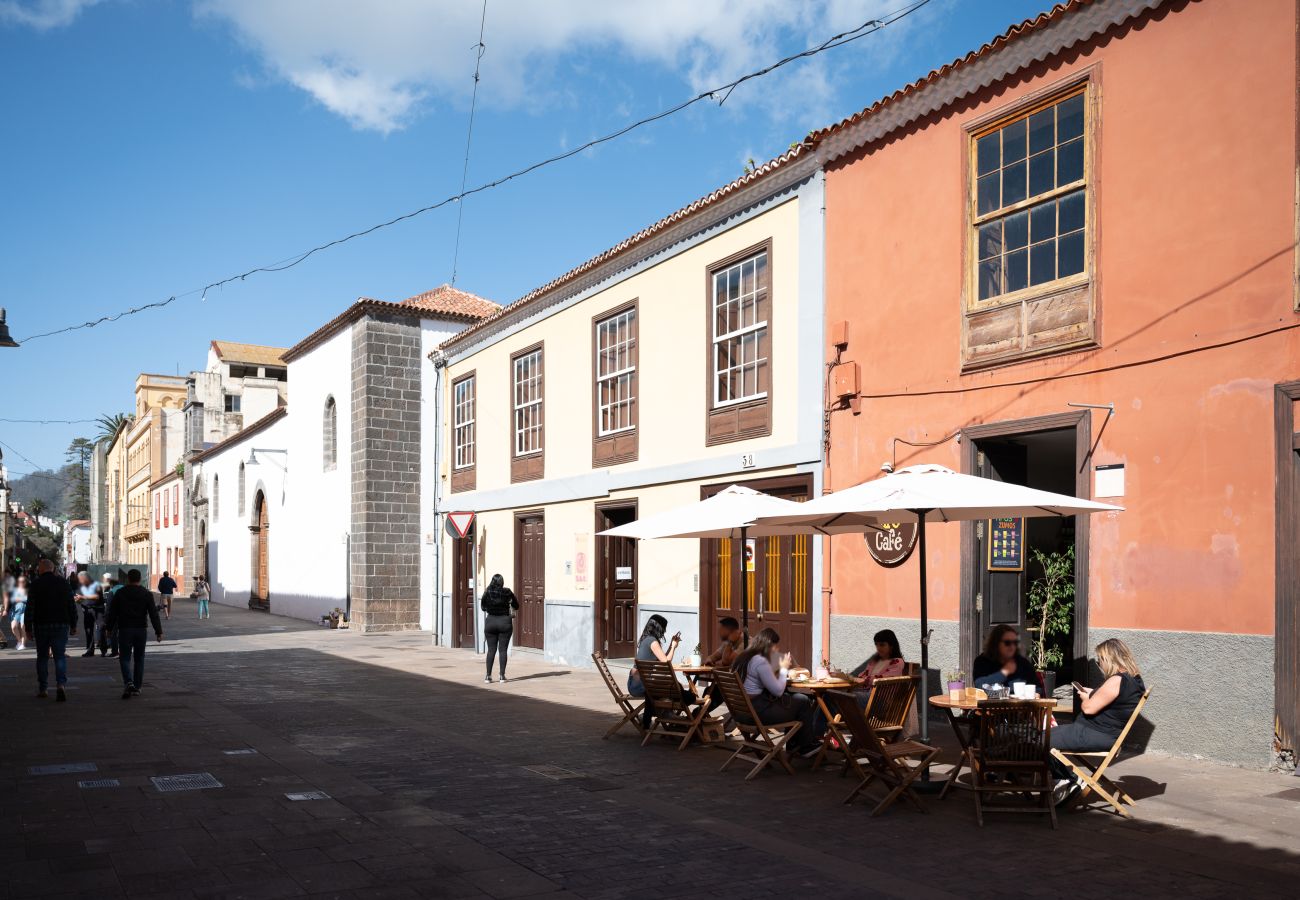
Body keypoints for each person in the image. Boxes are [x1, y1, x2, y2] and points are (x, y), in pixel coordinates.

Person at [1052, 638, 1147, 804]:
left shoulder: (1116, 680)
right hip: (1103, 733)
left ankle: (1067, 779)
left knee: (1040, 738)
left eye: (1099, 660)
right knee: (1045, 735)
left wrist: (1084, 697)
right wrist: (1093, 692)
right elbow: (1110, 697)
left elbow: (1088, 708)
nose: (1099, 664)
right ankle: (1067, 779)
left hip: (1093, 733)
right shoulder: (1134, 680)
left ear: (1109, 659)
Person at [730, 627, 822, 757]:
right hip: (757, 713)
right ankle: (805, 746)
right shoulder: (760, 661)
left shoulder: (744, 657)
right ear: (768, 645)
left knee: (793, 700)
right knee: (802, 701)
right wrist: (784, 668)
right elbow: (778, 691)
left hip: (741, 713)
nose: (777, 650)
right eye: (775, 646)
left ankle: (794, 744)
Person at [627, 614, 696, 728]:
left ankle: (655, 715)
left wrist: (671, 645)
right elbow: (666, 663)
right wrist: (674, 647)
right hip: (640, 686)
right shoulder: (653, 642)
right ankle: (669, 711)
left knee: (665, 687)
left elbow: (661, 660)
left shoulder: (646, 639)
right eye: (664, 628)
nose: (664, 631)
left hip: (636, 683)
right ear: (659, 628)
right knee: (669, 688)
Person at [104, 568, 163, 699]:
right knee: (139, 658)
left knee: (124, 658)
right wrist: (158, 631)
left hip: (125, 629)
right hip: (141, 629)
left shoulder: (120, 593)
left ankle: (128, 682)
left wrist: (108, 629)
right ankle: (137, 686)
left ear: (128, 579)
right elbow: (153, 614)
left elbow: (112, 613)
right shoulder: (146, 594)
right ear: (140, 579)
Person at [26, 559, 78, 701]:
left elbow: (30, 607)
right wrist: (74, 625)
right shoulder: (63, 583)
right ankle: (61, 685)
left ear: (40, 570)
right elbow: (71, 605)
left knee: (42, 657)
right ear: (53, 569)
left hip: (41, 625)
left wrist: (28, 628)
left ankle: (43, 688)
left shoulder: (35, 584)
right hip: (61, 625)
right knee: (59, 656)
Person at [972, 624, 1040, 691]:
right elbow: (980, 686)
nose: (1012, 646)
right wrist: (1003, 673)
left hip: (1019, 702)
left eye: (1015, 643)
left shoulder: (1022, 663)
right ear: (996, 643)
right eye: (1007, 643)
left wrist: (1036, 693)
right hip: (991, 702)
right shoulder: (982, 661)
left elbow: (1037, 688)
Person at [479, 574, 518, 684]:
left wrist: (491, 607)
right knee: (503, 650)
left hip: (490, 621)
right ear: (502, 582)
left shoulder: (487, 592)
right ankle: (501, 675)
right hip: (505, 622)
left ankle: (488, 676)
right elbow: (517, 605)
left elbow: (483, 607)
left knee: (491, 650)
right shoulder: (507, 592)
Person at [77, 573, 106, 657]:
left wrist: (83, 597)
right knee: (89, 630)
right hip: (87, 610)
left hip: (98, 610)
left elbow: (97, 596)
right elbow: (80, 598)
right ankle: (90, 650)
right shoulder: (81, 586)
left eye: (81, 579)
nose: (80, 581)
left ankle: (103, 649)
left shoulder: (96, 584)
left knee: (101, 629)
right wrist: (78, 600)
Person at [5, 574, 29, 650]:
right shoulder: (14, 590)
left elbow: (29, 600)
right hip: (15, 610)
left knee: (22, 626)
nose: (21, 583)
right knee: (14, 627)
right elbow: (12, 600)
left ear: (25, 582)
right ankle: (19, 641)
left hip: (25, 610)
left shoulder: (28, 590)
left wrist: (19, 599)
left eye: (23, 581)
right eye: (19, 581)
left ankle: (22, 643)